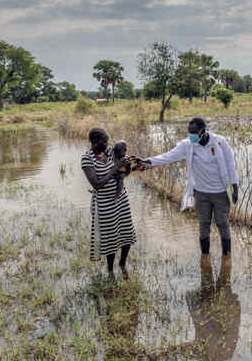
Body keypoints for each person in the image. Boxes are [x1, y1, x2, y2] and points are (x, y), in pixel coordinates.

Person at [141, 117, 238, 262]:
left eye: (194, 133)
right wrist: (148, 162)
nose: (191, 135)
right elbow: (168, 156)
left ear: (203, 131)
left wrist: (235, 187)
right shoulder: (188, 145)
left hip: (220, 193)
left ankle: (227, 258)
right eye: (189, 132)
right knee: (203, 225)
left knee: (223, 224)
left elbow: (230, 164)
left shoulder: (219, 142)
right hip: (201, 193)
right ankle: (205, 258)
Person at [81, 128, 136, 276]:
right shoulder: (87, 159)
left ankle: (123, 264)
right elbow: (97, 184)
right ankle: (110, 270)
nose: (107, 144)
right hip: (105, 204)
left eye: (107, 141)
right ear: (94, 142)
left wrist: (127, 166)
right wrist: (115, 168)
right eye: (103, 142)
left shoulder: (111, 152)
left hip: (121, 199)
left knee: (126, 232)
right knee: (110, 238)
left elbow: (124, 171)